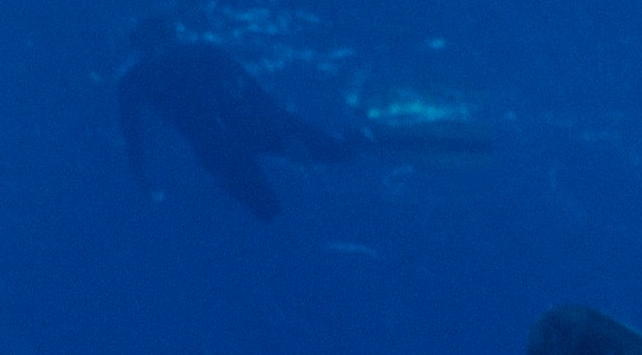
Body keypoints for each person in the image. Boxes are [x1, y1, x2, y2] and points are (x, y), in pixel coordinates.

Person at [117, 15, 489, 219]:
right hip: (237, 138)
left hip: (237, 137)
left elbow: (254, 96)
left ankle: (383, 137)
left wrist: (145, 182)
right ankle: (382, 137)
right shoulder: (171, 65)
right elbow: (255, 95)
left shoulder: (156, 71)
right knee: (276, 204)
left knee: (285, 196)